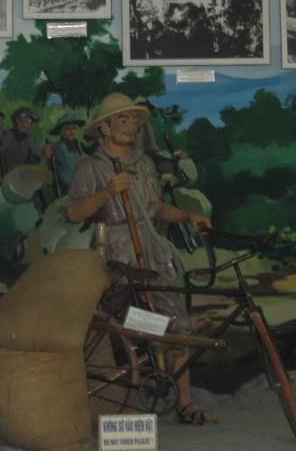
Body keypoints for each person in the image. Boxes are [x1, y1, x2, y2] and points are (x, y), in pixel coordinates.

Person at [63, 92, 215, 425]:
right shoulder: (92, 167)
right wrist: (107, 192)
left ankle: (184, 403)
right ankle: (129, 385)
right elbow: (73, 212)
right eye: (122, 119)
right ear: (104, 128)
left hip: (151, 250)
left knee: (176, 322)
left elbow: (156, 208)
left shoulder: (144, 164)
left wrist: (188, 216)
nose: (131, 126)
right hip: (116, 252)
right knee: (127, 320)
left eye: (133, 120)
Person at [0, 107, 53, 176]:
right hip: (5, 176)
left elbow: (40, 154)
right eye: (22, 121)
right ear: (15, 121)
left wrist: (46, 152)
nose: (25, 125)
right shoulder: (7, 135)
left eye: (28, 123)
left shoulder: (27, 139)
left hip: (20, 177)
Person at [49, 112, 86, 196]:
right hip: (66, 189)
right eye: (67, 129)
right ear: (60, 131)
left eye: (74, 128)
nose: (71, 131)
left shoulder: (80, 146)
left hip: (82, 186)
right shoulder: (57, 148)